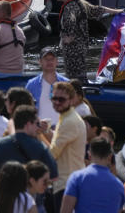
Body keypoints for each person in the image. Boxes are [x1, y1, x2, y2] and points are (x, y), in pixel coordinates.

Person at [57, 0, 118, 80]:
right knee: (80, 75)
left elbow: (70, 21)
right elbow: (95, 10)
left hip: (72, 51)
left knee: (75, 78)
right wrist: (116, 11)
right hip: (81, 49)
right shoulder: (79, 3)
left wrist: (68, 37)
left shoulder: (70, 7)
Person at [40, 81, 86, 212]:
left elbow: (52, 154)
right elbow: (58, 144)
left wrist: (37, 136)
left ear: (71, 100)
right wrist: (44, 132)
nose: (57, 102)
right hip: (67, 182)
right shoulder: (66, 117)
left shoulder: (69, 121)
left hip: (66, 184)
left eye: (61, 99)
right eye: (54, 98)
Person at [0, 104, 58, 181]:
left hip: (5, 191)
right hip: (32, 192)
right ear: (28, 124)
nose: (38, 127)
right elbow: (53, 176)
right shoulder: (40, 147)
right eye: (37, 124)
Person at [60, 137, 125, 213]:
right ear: (110, 157)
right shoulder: (119, 186)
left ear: (89, 155)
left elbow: (65, 211)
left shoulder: (76, 178)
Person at [27, 47, 70, 124]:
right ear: (40, 62)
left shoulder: (66, 83)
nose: (49, 62)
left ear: (57, 61)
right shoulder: (31, 84)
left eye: (52, 59)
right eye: (46, 59)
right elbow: (25, 110)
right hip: (39, 130)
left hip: (61, 129)